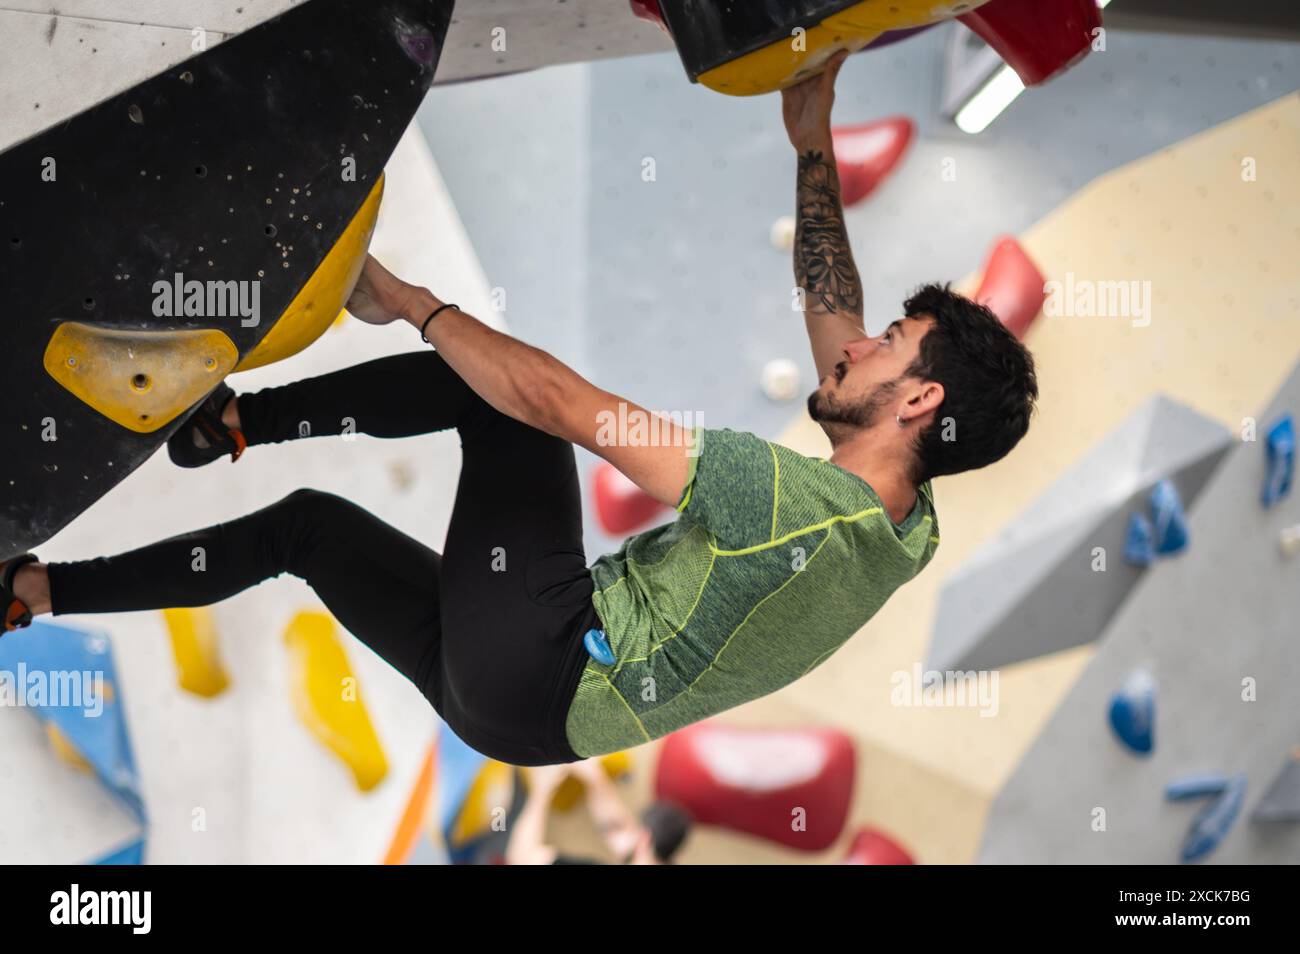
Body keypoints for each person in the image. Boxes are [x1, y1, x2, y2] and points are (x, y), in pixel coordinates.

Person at [1, 53, 1036, 766]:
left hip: (540, 658)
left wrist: (413, 306)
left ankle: (234, 423)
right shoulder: (903, 526)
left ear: (919, 399)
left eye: (886, 350)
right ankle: (29, 591)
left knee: (510, 405)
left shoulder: (787, 503)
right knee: (307, 532)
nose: (855, 344)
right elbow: (832, 310)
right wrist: (812, 148)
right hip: (516, 721)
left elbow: (567, 405)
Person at [506, 760, 692, 865]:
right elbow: (616, 826)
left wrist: (541, 793)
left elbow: (522, 857)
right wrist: (593, 776)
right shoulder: (650, 854)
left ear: (644, 839)